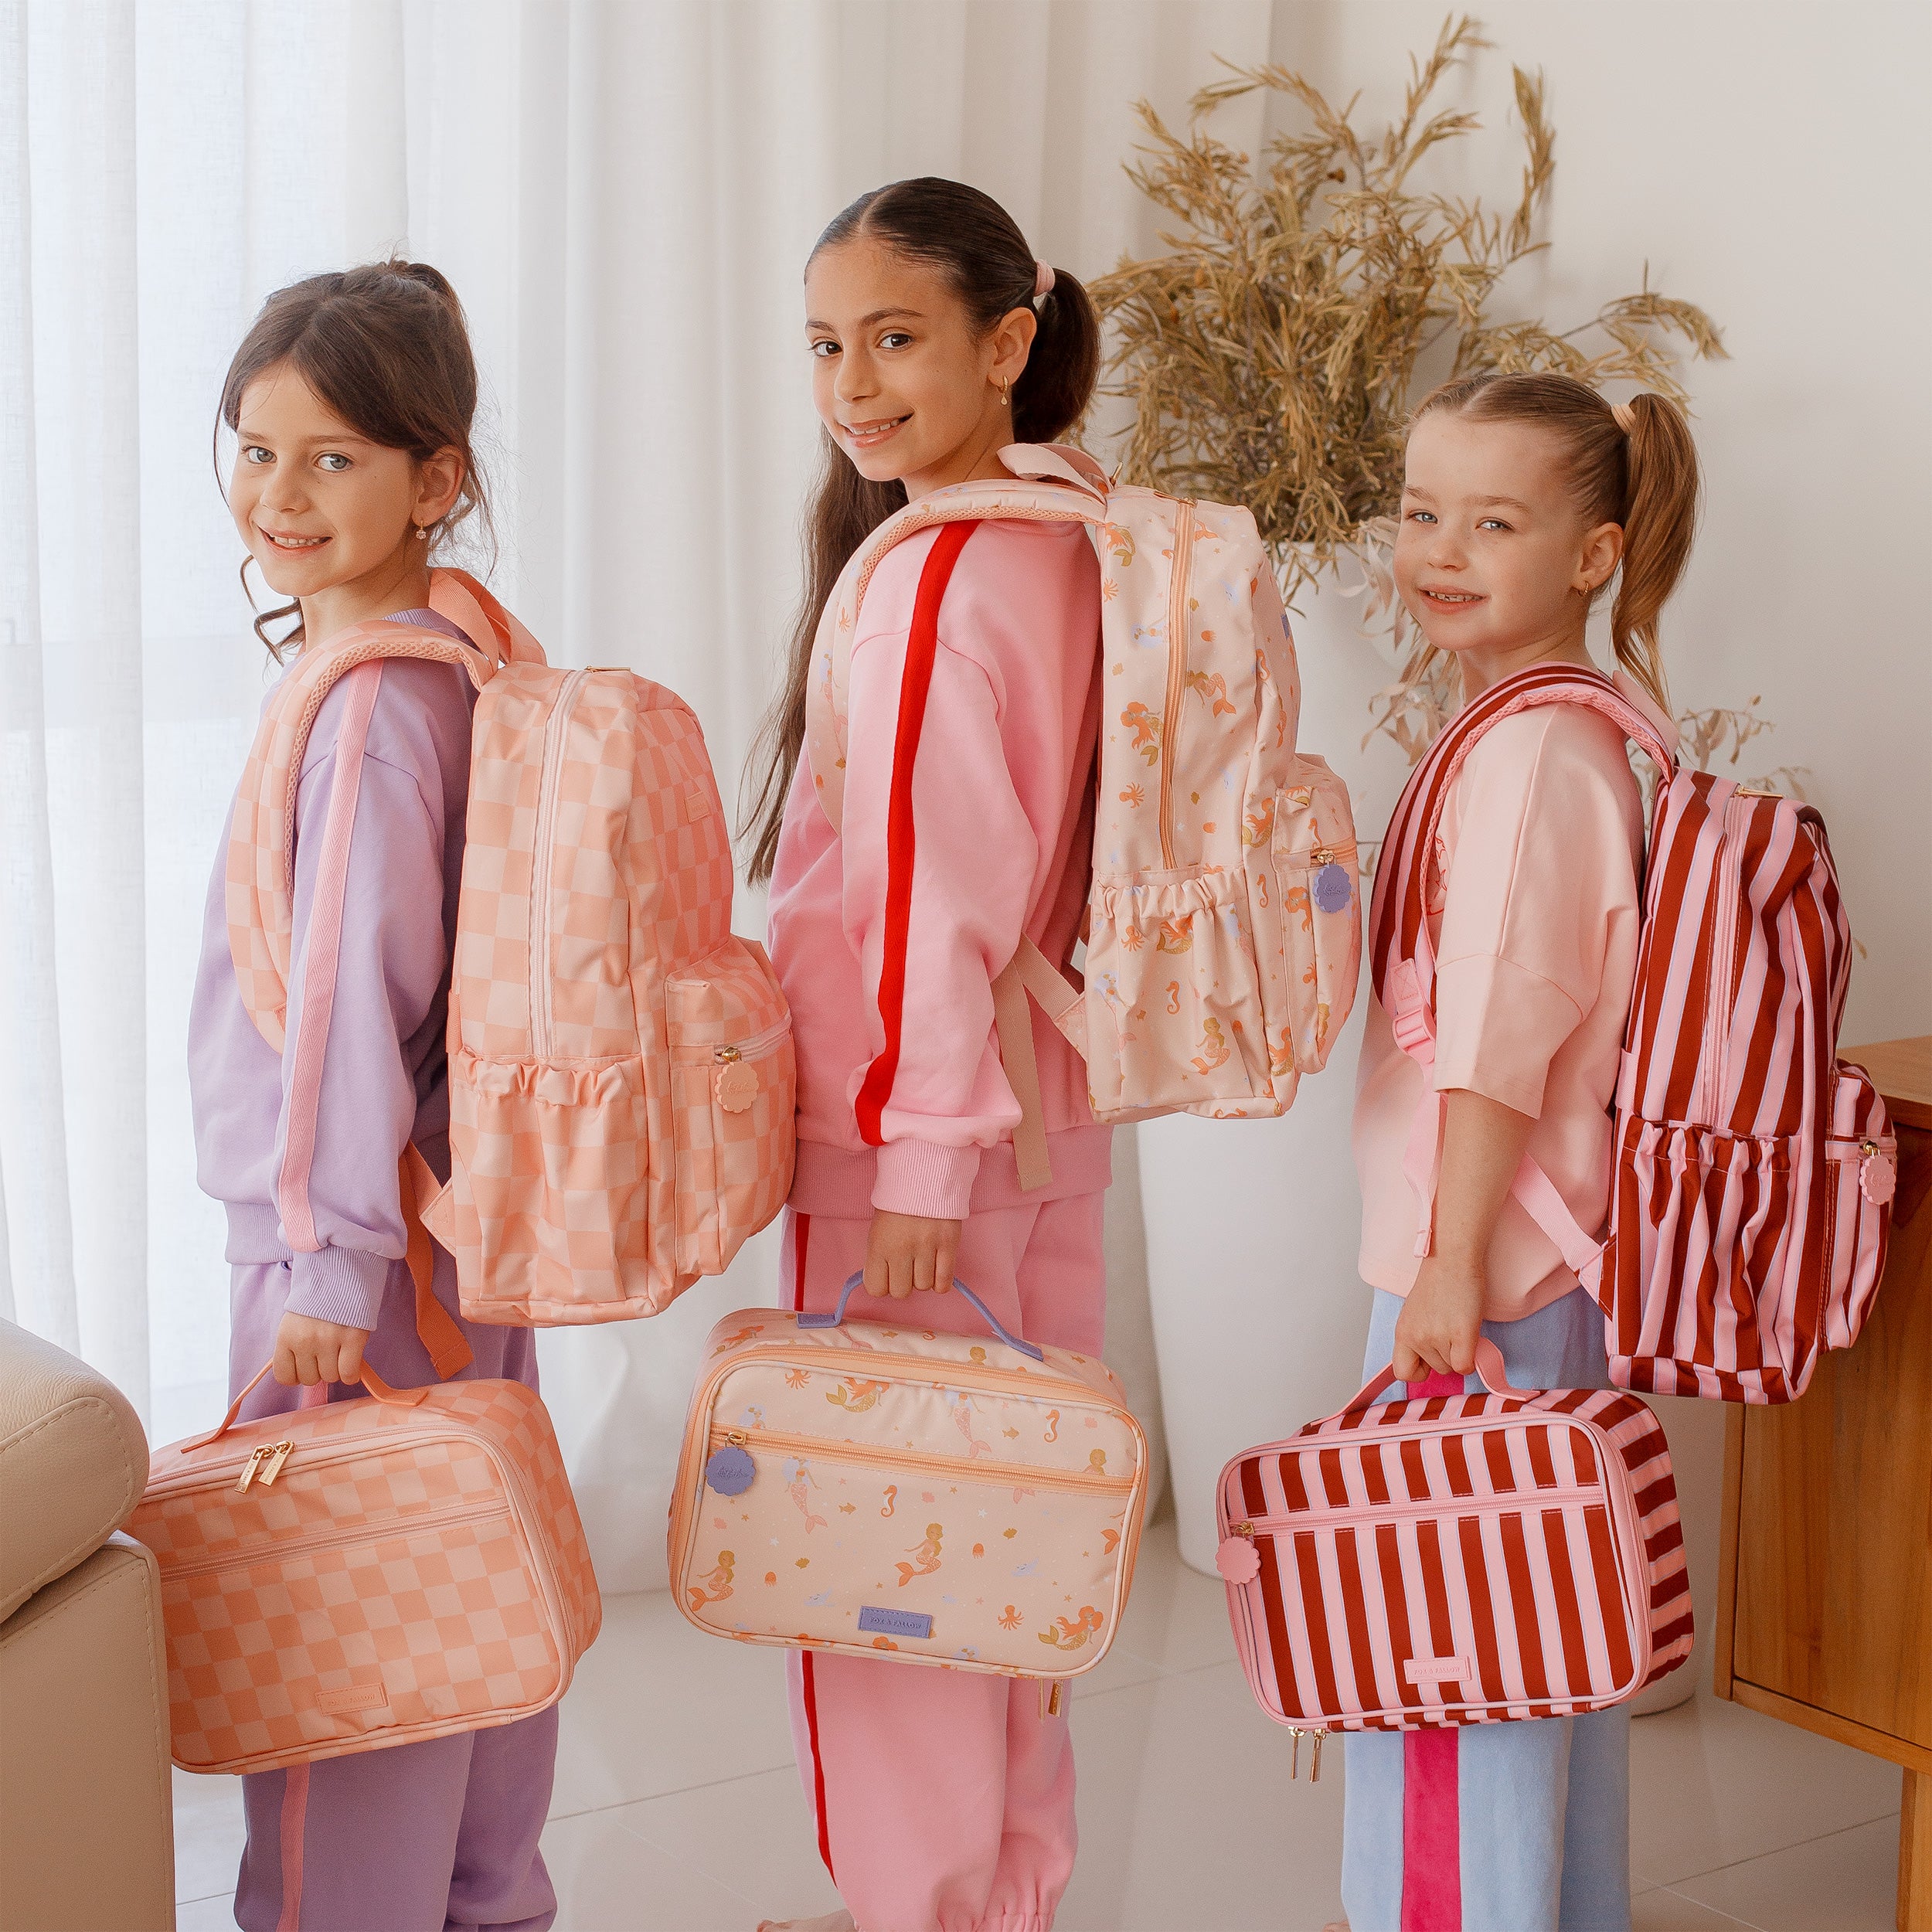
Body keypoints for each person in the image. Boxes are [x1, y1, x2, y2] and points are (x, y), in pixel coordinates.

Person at [742, 175, 1107, 1932]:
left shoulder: (941, 570)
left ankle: (914, 1906)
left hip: (919, 1141)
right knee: (1005, 1545)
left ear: (1006, 343)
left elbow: (921, 898)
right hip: (1048, 1124)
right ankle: (991, 1899)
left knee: (878, 1566)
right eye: (825, 343)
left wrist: (908, 1151)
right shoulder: (1067, 537)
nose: (853, 383)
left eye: (894, 338)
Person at [187, 261, 556, 1932]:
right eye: (256, 449)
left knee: (345, 1664)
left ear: (437, 475)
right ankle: (491, 1905)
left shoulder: (369, 716)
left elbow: (346, 1006)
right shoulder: (466, 655)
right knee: (471, 1608)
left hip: (356, 1250)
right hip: (462, 1230)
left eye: (332, 456)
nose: (280, 494)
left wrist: (326, 1266)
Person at [1344, 371, 1701, 1931]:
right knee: (1545, 1639)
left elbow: (1493, 1039)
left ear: (1590, 552)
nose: (1442, 547)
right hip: (1543, 1265)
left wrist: (1440, 1270)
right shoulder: (1573, 731)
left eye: (1494, 520)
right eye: (1423, 510)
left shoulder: (1528, 759)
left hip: (1483, 1268)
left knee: (1446, 1650)